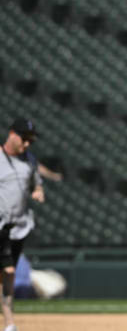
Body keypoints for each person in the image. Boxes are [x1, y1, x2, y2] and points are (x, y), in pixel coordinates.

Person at [1, 119, 46, 331]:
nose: (27, 144)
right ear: (12, 134)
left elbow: (36, 184)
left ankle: (9, 322)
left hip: (18, 227)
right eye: (24, 139)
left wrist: (38, 192)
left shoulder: (29, 160)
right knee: (8, 271)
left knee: (7, 276)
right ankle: (9, 323)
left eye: (30, 140)